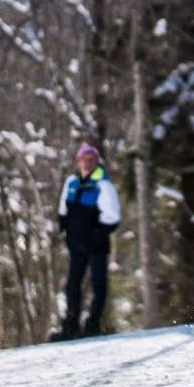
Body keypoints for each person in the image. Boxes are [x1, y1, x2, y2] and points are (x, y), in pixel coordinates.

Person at [52, 144, 122, 340]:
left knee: (98, 285)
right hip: (76, 244)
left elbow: (113, 217)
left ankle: (93, 324)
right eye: (84, 158)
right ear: (78, 161)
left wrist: (98, 235)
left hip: (96, 244)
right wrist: (65, 232)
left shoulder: (103, 185)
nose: (88, 162)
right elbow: (63, 211)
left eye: (92, 159)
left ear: (97, 162)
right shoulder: (71, 182)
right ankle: (70, 326)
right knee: (72, 284)